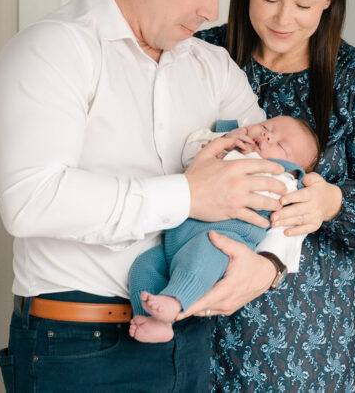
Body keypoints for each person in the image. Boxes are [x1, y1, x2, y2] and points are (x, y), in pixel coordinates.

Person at [0, 0, 296, 392]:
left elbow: (275, 179)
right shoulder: (52, 51)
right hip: (76, 349)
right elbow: (31, 201)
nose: (211, 13)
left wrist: (270, 262)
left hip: (188, 341)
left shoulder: (213, 67)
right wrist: (189, 194)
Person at [196, 0, 355, 392]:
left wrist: (332, 203)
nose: (282, 18)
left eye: (304, 3)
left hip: (311, 335)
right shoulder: (200, 59)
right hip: (198, 305)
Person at [129, 116, 320, 343]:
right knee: (143, 266)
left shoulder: (283, 180)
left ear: (294, 170)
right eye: (265, 127)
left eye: (281, 145)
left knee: (204, 252)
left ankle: (175, 302)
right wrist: (224, 140)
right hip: (174, 239)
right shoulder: (227, 142)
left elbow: (293, 215)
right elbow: (188, 151)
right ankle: (150, 320)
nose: (268, 136)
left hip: (220, 242)